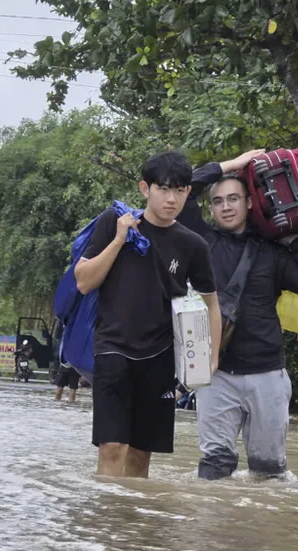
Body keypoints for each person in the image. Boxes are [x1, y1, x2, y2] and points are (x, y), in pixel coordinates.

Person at [179, 150, 298, 480]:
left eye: (234, 198)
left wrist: (292, 236)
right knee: (214, 470)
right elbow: (184, 186)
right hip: (215, 374)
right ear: (211, 209)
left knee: (268, 473)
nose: (226, 206)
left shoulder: (272, 250)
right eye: (218, 201)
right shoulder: (202, 242)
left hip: (267, 373)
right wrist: (234, 165)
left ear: (249, 203)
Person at [75, 151, 221, 479]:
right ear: (145, 188)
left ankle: (135, 526)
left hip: (160, 356)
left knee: (141, 456)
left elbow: (212, 304)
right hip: (112, 348)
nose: (172, 198)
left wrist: (211, 359)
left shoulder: (193, 245)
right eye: (164, 189)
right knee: (112, 447)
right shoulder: (113, 222)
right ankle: (107, 522)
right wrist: (118, 240)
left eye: (180, 190)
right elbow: (83, 282)